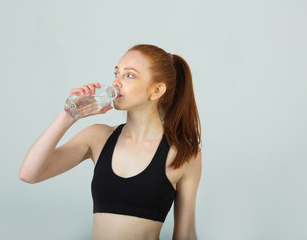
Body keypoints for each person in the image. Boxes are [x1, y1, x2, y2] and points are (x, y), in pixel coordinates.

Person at [19, 44, 202, 240]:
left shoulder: (182, 152)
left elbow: (186, 234)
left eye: (129, 75)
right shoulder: (98, 137)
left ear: (157, 90)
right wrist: (68, 115)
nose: (116, 82)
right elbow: (29, 174)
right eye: (116, 73)